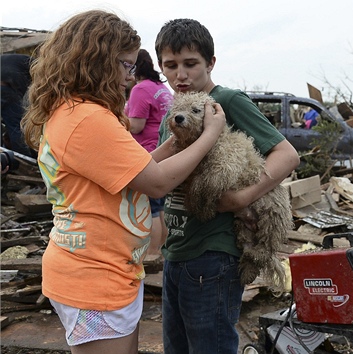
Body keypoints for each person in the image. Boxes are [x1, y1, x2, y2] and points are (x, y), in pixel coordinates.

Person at [20, 10, 226, 354]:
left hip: (107, 270)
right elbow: (157, 183)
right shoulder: (86, 119)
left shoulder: (78, 111)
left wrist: (175, 143)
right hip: (93, 278)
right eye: (126, 65)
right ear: (97, 61)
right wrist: (210, 134)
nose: (130, 78)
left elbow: (137, 169)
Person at [155, 18, 300, 354]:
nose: (181, 75)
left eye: (191, 64)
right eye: (170, 66)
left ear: (211, 63)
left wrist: (242, 198)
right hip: (177, 251)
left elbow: (287, 154)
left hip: (214, 255)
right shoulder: (174, 113)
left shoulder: (227, 101)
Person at [125, 48, 174, 258]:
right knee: (161, 208)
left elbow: (136, 126)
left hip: (148, 152)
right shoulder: (160, 87)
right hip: (166, 151)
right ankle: (162, 249)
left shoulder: (140, 89)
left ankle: (152, 253)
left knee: (152, 209)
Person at [1, 53, 36, 158]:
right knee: (16, 126)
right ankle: (22, 159)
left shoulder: (17, 60)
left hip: (6, 85)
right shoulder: (38, 65)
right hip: (5, 88)